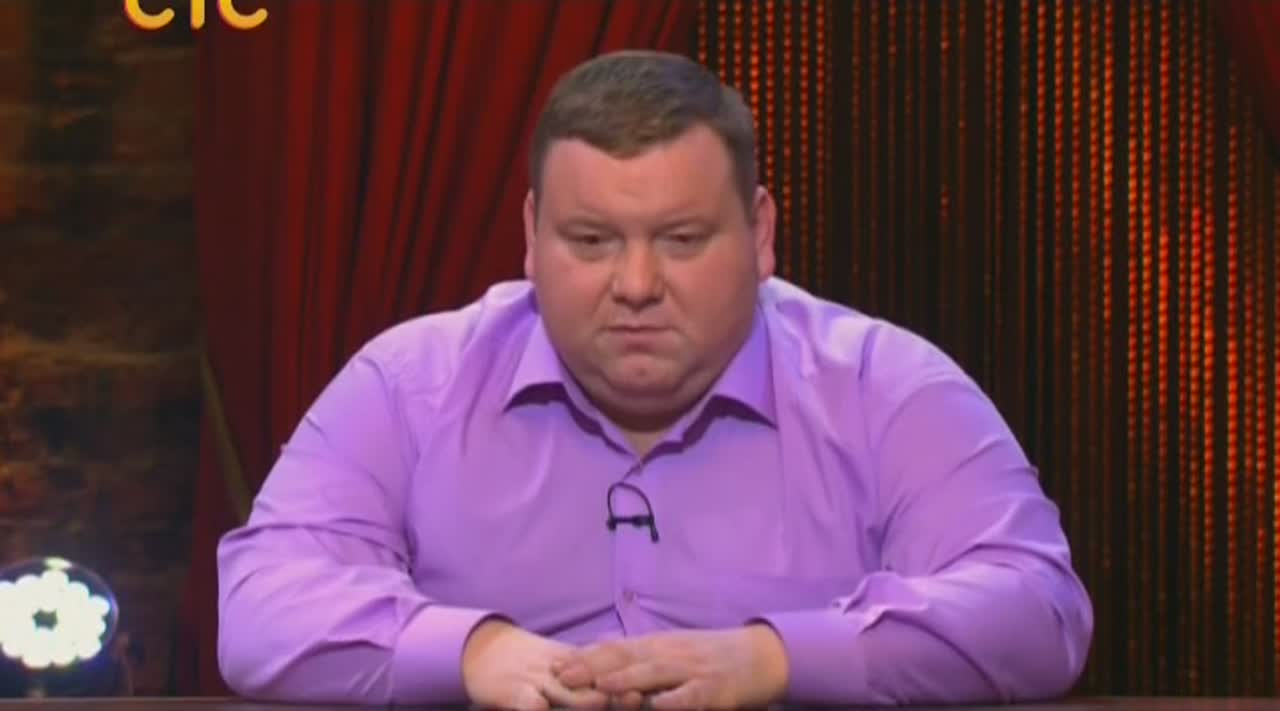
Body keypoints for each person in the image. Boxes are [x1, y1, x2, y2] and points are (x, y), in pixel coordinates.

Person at [216, 49, 1093, 710]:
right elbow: (261, 604)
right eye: (592, 241)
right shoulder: (409, 384)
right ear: (531, 236)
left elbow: (1037, 605)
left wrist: (774, 660)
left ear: (759, 233)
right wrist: (471, 651)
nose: (636, 285)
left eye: (681, 239)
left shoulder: (885, 386)